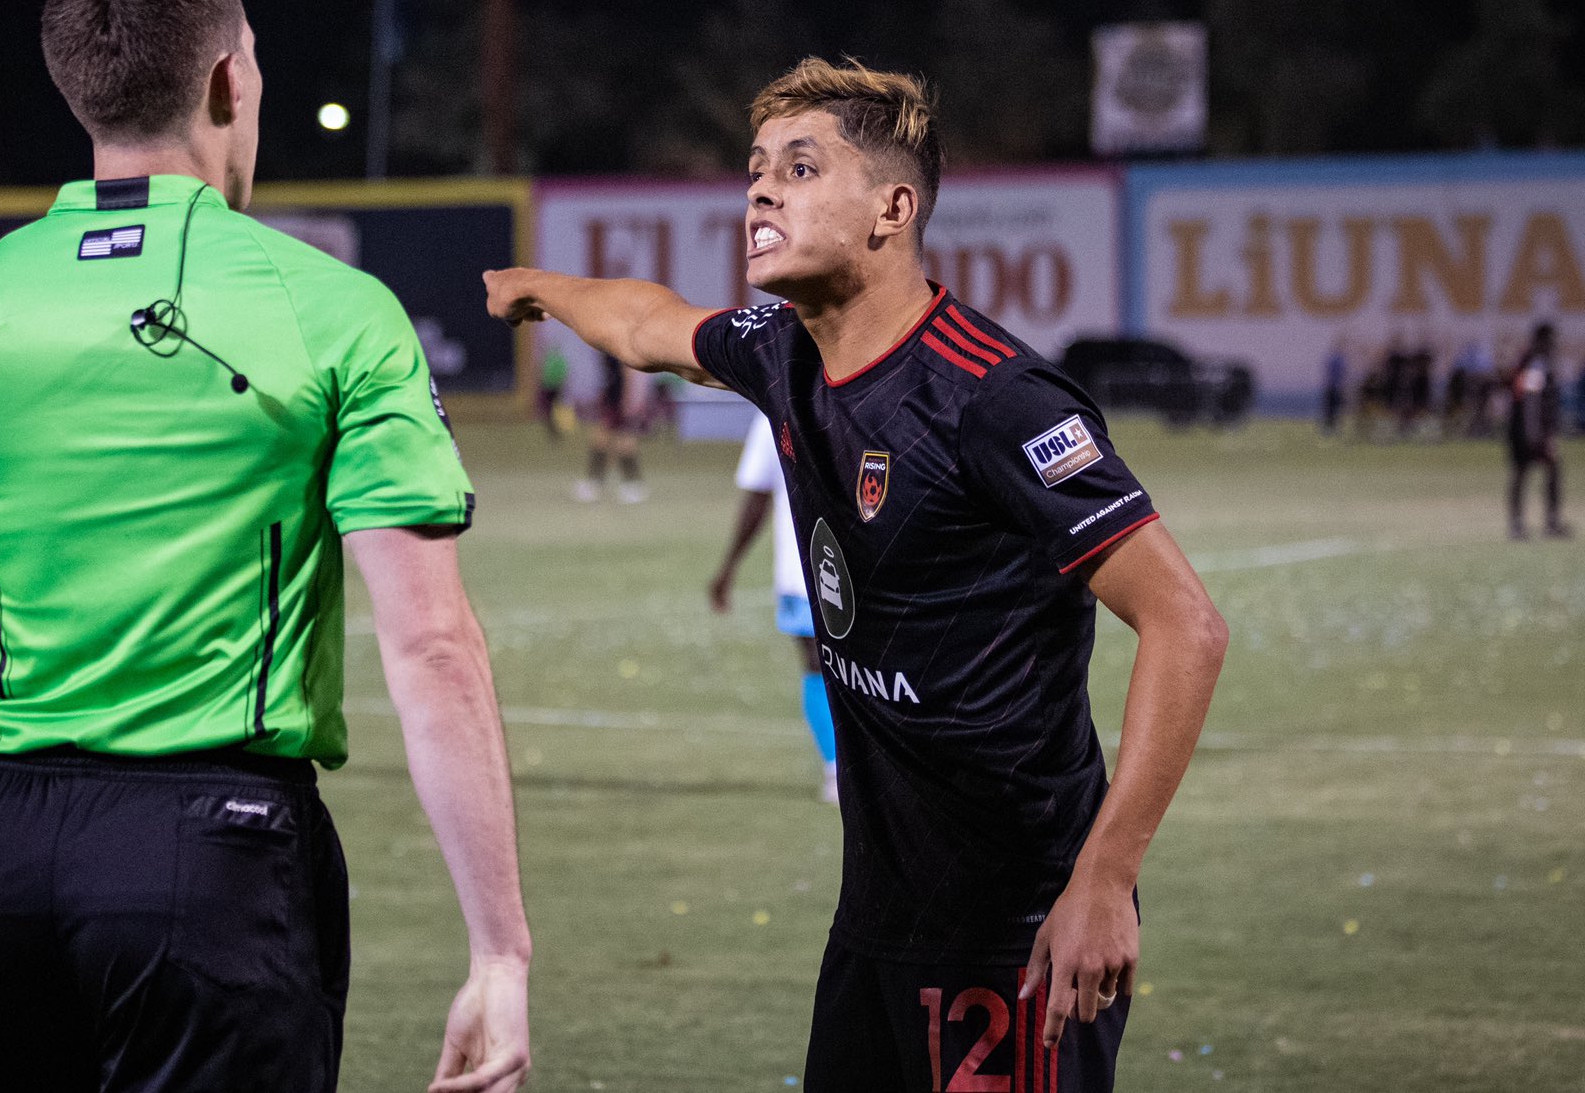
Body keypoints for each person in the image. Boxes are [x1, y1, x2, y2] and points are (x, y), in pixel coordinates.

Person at [0, 0, 531, 1093]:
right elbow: (429, 643)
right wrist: (498, 949)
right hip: (215, 852)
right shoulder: (333, 312)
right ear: (231, 76)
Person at [485, 58, 1227, 1092]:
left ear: (892, 207)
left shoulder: (994, 401)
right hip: (874, 921)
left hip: (1014, 931)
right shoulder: (780, 350)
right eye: (754, 169)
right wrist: (538, 289)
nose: (758, 189)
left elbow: (1185, 623)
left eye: (797, 167)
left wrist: (1104, 880)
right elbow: (649, 324)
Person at [708, 409, 837, 802]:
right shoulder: (780, 409)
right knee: (826, 667)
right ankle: (840, 767)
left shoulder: (777, 407)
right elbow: (759, 496)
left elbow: (757, 497)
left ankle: (842, 769)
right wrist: (729, 566)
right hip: (816, 571)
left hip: (810, 571)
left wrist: (728, 567)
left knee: (822, 667)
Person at [1506, 322, 1569, 540]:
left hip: (1525, 428)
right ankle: (1531, 524)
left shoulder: (1532, 359)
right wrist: (1536, 434)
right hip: (1530, 429)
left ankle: (1523, 524)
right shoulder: (1537, 362)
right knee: (1526, 472)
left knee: (1531, 473)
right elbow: (1530, 399)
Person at [576, 352, 650, 502]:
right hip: (612, 396)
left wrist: (628, 400)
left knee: (623, 440)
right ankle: (595, 483)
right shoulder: (605, 347)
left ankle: (633, 484)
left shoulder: (620, 347)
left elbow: (629, 372)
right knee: (601, 438)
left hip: (620, 398)